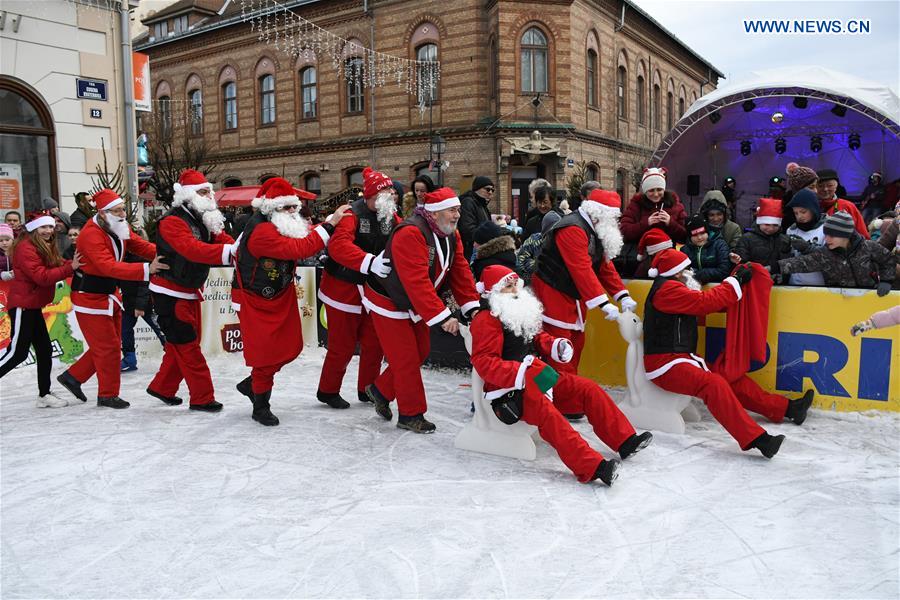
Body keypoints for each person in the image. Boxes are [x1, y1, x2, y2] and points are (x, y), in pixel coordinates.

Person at [470, 265, 652, 486]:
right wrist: (520, 372)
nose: (515, 290)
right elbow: (484, 363)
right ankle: (594, 467)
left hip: (537, 376)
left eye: (515, 285)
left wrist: (555, 345)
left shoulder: (516, 310)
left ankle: (625, 440)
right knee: (551, 416)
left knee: (587, 389)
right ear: (492, 292)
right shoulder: (486, 319)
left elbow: (537, 338)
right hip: (510, 391)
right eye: (507, 286)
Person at [642, 249, 814, 459]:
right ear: (677, 272)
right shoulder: (667, 290)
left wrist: (738, 290)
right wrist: (734, 281)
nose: (690, 272)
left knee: (728, 378)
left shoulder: (673, 287)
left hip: (679, 360)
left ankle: (787, 408)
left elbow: (707, 304)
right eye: (686, 268)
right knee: (713, 384)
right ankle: (757, 439)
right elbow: (706, 302)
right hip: (664, 365)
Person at [362, 187, 481, 433]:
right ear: (436, 213)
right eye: (452, 210)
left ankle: (381, 390)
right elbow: (416, 281)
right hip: (388, 299)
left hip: (411, 301)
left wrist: (471, 307)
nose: (457, 215)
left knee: (421, 350)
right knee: (405, 358)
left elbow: (459, 270)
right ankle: (411, 414)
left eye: (458, 209)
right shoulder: (410, 233)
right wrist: (443, 317)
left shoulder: (451, 234)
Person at [232, 177, 345, 426]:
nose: (294, 212)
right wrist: (331, 223)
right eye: (288, 207)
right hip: (255, 300)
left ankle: (253, 385)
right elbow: (302, 248)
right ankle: (260, 405)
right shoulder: (262, 232)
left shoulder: (278, 225)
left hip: (279, 295)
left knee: (290, 347)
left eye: (294, 206)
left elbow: (302, 238)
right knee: (265, 356)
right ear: (272, 208)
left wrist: (325, 226)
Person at [56, 189, 167, 409]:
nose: (122, 214)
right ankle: (107, 394)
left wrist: (165, 253)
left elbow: (137, 244)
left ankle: (73, 377)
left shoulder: (117, 224)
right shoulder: (90, 235)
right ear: (104, 213)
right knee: (108, 348)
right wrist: (147, 269)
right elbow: (107, 266)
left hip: (108, 294)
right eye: (117, 210)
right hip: (89, 296)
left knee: (110, 345)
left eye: (122, 209)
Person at [146, 169, 236, 411]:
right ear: (188, 195)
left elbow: (221, 239)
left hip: (187, 289)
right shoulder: (172, 221)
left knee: (181, 344)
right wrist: (229, 253)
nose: (209, 195)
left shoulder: (202, 217)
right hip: (169, 293)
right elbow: (191, 249)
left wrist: (240, 248)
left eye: (209, 191)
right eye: (203, 191)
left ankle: (161, 387)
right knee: (188, 347)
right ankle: (202, 397)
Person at [315, 167, 398, 409]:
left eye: (393, 190)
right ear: (373, 194)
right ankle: (328, 390)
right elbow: (339, 247)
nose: (393, 194)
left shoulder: (390, 216)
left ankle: (368, 389)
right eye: (388, 191)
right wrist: (369, 262)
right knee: (342, 345)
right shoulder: (352, 215)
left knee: (374, 342)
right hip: (343, 289)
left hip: (374, 290)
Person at [532, 188, 636, 378]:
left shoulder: (595, 229)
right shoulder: (572, 229)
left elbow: (604, 266)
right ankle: (552, 396)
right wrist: (605, 304)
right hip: (553, 293)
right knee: (559, 351)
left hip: (572, 296)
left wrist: (622, 295)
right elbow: (581, 269)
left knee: (576, 345)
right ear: (599, 214)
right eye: (612, 218)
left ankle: (567, 392)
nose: (615, 223)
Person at [0, 213, 80, 407]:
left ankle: (44, 395)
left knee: (44, 350)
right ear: (34, 229)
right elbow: (41, 277)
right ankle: (44, 394)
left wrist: (73, 264)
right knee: (17, 353)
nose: (48, 231)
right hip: (23, 306)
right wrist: (71, 268)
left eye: (51, 227)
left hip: (33, 305)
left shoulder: (42, 246)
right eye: (43, 227)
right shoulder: (25, 248)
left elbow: (57, 263)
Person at [774, 211, 895, 295]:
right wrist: (771, 268)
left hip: (867, 296)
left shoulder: (869, 247)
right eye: (826, 235)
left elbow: (888, 260)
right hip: (836, 299)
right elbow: (801, 263)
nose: (826, 239)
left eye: (831, 235)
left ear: (845, 235)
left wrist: (886, 280)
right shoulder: (825, 254)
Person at [119, 246, 165, 372]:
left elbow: (145, 284)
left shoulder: (141, 259)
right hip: (128, 304)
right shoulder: (119, 259)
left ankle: (176, 357)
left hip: (148, 304)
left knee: (161, 330)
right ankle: (129, 359)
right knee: (125, 330)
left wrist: (140, 306)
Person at [620, 167, 687, 245]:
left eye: (659, 190)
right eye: (651, 190)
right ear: (645, 191)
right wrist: (646, 223)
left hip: (668, 253)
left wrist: (670, 222)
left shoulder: (675, 204)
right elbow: (625, 232)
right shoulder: (636, 204)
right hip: (640, 253)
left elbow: (684, 235)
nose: (655, 194)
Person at [732, 198, 793, 276]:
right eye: (766, 224)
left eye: (775, 225)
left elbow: (788, 264)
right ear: (759, 222)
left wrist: (783, 276)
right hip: (753, 282)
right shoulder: (746, 239)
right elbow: (741, 264)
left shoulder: (785, 240)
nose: (771, 229)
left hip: (779, 286)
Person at [783, 189, 827, 286]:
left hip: (822, 287)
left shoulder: (827, 228)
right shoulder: (791, 230)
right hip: (794, 285)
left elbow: (832, 259)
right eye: (796, 213)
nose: (799, 216)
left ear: (813, 209)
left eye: (803, 212)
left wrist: (807, 248)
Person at [815, 169, 868, 238]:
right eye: (820, 186)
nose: (825, 189)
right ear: (815, 187)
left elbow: (862, 234)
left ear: (836, 187)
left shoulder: (847, 206)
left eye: (830, 185)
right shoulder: (809, 206)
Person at [679, 214, 731, 284]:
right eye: (695, 235)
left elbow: (724, 271)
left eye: (702, 233)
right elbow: (683, 273)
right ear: (689, 236)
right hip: (693, 288)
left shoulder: (719, 245)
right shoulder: (685, 250)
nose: (699, 237)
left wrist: (701, 274)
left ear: (707, 232)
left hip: (718, 286)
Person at [516, 211, 560, 284]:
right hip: (532, 282)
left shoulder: (560, 242)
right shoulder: (534, 240)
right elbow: (521, 260)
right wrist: (539, 265)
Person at [458, 176, 494, 258]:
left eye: (492, 190)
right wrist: (490, 234)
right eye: (487, 189)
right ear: (477, 189)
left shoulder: (482, 205)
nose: (490, 192)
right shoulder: (468, 202)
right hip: (470, 251)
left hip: (481, 249)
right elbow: (467, 229)